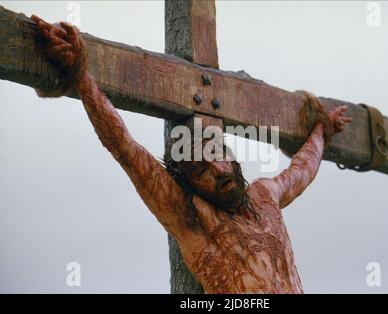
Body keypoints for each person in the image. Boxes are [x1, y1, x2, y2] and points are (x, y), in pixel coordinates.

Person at [31, 16, 352, 293]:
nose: (217, 169)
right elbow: (124, 148)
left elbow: (302, 169)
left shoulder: (265, 195)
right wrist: (81, 75)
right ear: (191, 185)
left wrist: (323, 129)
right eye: (200, 170)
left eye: (217, 154)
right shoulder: (193, 221)